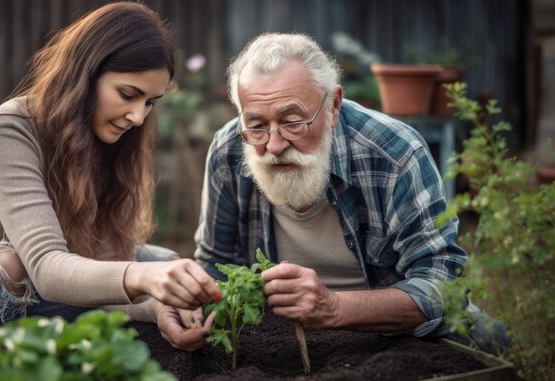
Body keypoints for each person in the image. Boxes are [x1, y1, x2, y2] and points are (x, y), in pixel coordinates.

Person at [194, 32, 509, 354]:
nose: (274, 146)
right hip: (281, 334)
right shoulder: (228, 151)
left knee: (488, 343)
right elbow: (215, 264)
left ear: (333, 105)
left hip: (389, 332)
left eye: (292, 122)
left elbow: (443, 285)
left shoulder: (394, 153)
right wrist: (189, 311)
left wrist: (333, 308)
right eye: (257, 125)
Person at [0, 2, 220, 350]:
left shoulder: (108, 140)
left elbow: (103, 261)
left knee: (170, 263)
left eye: (150, 102)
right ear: (85, 75)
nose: (138, 117)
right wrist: (144, 279)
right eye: (128, 95)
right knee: (3, 263)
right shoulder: (7, 131)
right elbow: (47, 267)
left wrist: (157, 306)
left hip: (33, 290)